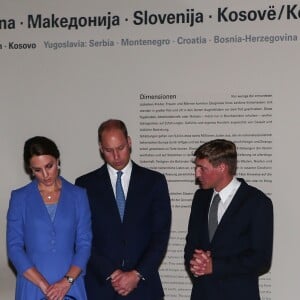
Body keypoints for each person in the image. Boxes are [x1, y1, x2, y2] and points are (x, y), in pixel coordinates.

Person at [75, 119, 171, 300]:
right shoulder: (85, 185)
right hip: (100, 287)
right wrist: (111, 272)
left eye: (121, 148)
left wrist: (136, 274)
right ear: (101, 149)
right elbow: (83, 237)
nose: (116, 156)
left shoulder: (154, 182)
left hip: (144, 287)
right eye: (109, 150)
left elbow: (160, 235)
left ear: (129, 142)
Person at [184, 139, 273, 300]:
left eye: (202, 168)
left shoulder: (257, 202)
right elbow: (190, 245)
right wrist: (196, 265)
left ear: (222, 168)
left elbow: (261, 260)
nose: (197, 173)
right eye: (196, 167)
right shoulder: (200, 198)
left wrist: (215, 266)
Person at [7, 136, 92, 300]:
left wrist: (66, 282)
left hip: (71, 286)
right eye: (38, 170)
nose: (45, 175)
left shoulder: (78, 196)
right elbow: (14, 248)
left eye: (49, 166)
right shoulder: (19, 198)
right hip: (32, 286)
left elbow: (84, 244)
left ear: (58, 161)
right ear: (30, 170)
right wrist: (44, 286)